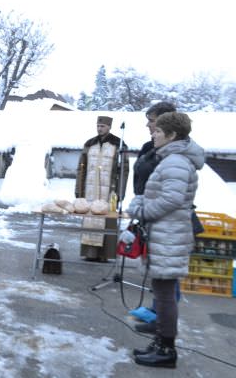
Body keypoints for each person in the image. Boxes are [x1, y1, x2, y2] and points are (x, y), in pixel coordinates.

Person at [127, 112, 204, 368]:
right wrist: (142, 202)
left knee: (165, 293)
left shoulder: (176, 162)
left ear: (172, 135)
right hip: (166, 233)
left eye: (158, 131)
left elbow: (171, 199)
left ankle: (166, 350)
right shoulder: (173, 159)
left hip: (169, 235)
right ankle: (160, 342)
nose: (153, 134)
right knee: (162, 292)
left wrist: (141, 209)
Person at [130, 101, 177, 334]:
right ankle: (158, 318)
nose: (147, 125)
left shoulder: (175, 153)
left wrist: (146, 210)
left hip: (167, 222)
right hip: (151, 215)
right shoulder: (151, 147)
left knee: (166, 279)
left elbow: (170, 194)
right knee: (158, 277)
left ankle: (164, 335)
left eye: (152, 122)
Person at [75, 115, 129, 261]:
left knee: (107, 220)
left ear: (109, 127)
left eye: (103, 126)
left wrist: (120, 192)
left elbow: (124, 171)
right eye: (98, 126)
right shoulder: (89, 143)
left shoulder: (118, 144)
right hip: (89, 189)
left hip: (109, 189)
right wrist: (78, 189)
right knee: (90, 219)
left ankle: (105, 255)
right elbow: (81, 168)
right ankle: (89, 253)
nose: (100, 129)